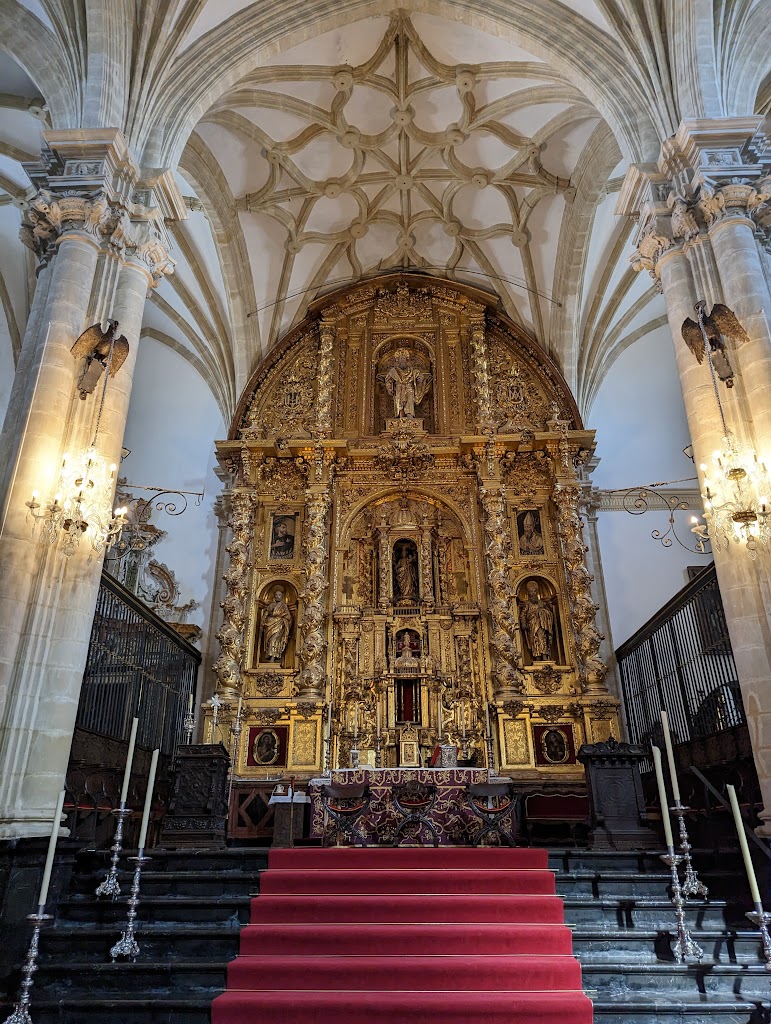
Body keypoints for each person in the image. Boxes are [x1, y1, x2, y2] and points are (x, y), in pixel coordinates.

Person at [383, 350, 432, 419]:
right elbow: (388, 381)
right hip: (398, 389)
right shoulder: (393, 371)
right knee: (399, 404)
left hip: (409, 389)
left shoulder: (412, 371)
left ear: (407, 360)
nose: (402, 360)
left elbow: (420, 377)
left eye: (404, 358)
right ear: (398, 360)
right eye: (401, 359)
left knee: (409, 404)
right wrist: (389, 389)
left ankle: (410, 418)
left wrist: (420, 379)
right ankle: (400, 418)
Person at [520, 580, 553, 660]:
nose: (533, 593)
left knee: (543, 639)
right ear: (528, 593)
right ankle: (537, 657)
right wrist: (524, 624)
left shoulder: (541, 603)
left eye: (534, 591)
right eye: (531, 592)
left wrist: (542, 612)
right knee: (535, 640)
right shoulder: (527, 604)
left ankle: (544, 655)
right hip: (532, 625)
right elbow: (523, 615)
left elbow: (549, 613)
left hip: (542, 625)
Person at [262, 587, 293, 661]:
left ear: (282, 597)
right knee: (269, 640)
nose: (277, 596)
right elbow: (265, 615)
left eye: (279, 595)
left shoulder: (284, 605)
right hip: (270, 625)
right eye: (276, 595)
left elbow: (288, 617)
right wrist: (264, 621)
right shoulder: (271, 605)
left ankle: (273, 657)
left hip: (279, 625)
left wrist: (281, 615)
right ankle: (270, 656)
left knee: (275, 639)